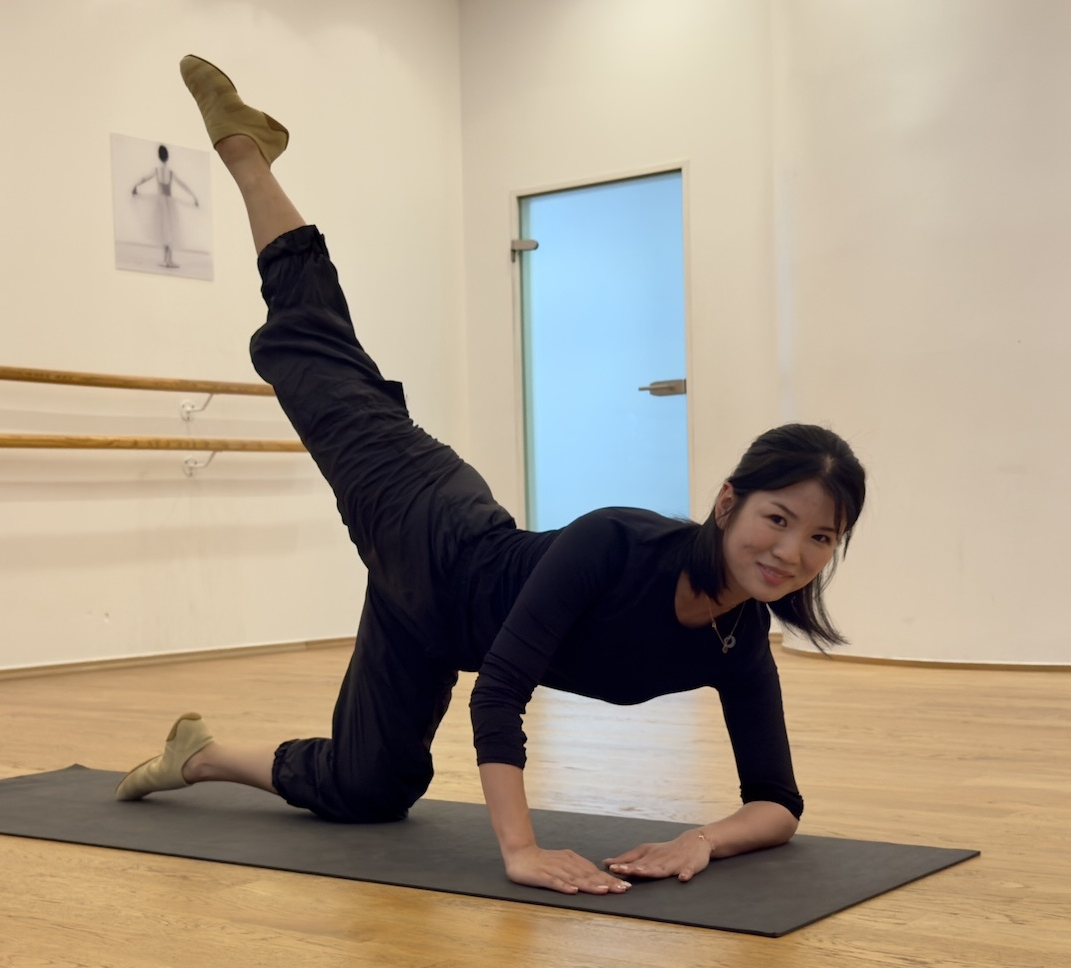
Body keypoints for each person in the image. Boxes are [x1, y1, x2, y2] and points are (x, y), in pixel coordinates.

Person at [115, 55, 868, 898]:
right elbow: (499, 696)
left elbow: (777, 803)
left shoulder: (737, 639)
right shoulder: (617, 543)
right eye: (777, 518)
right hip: (426, 524)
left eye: (819, 537)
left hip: (427, 621)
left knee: (369, 791)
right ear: (728, 503)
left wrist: (702, 840)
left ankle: (198, 755)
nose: (791, 551)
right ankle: (247, 151)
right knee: (316, 362)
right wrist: (520, 849)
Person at [129, 143, 201, 268]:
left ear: (159, 156)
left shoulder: (157, 170)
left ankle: (166, 260)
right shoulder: (170, 172)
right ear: (167, 157)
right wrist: (193, 196)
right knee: (170, 231)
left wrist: (135, 186)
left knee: (164, 230)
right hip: (169, 203)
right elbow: (182, 185)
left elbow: (144, 178)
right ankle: (168, 260)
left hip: (160, 203)